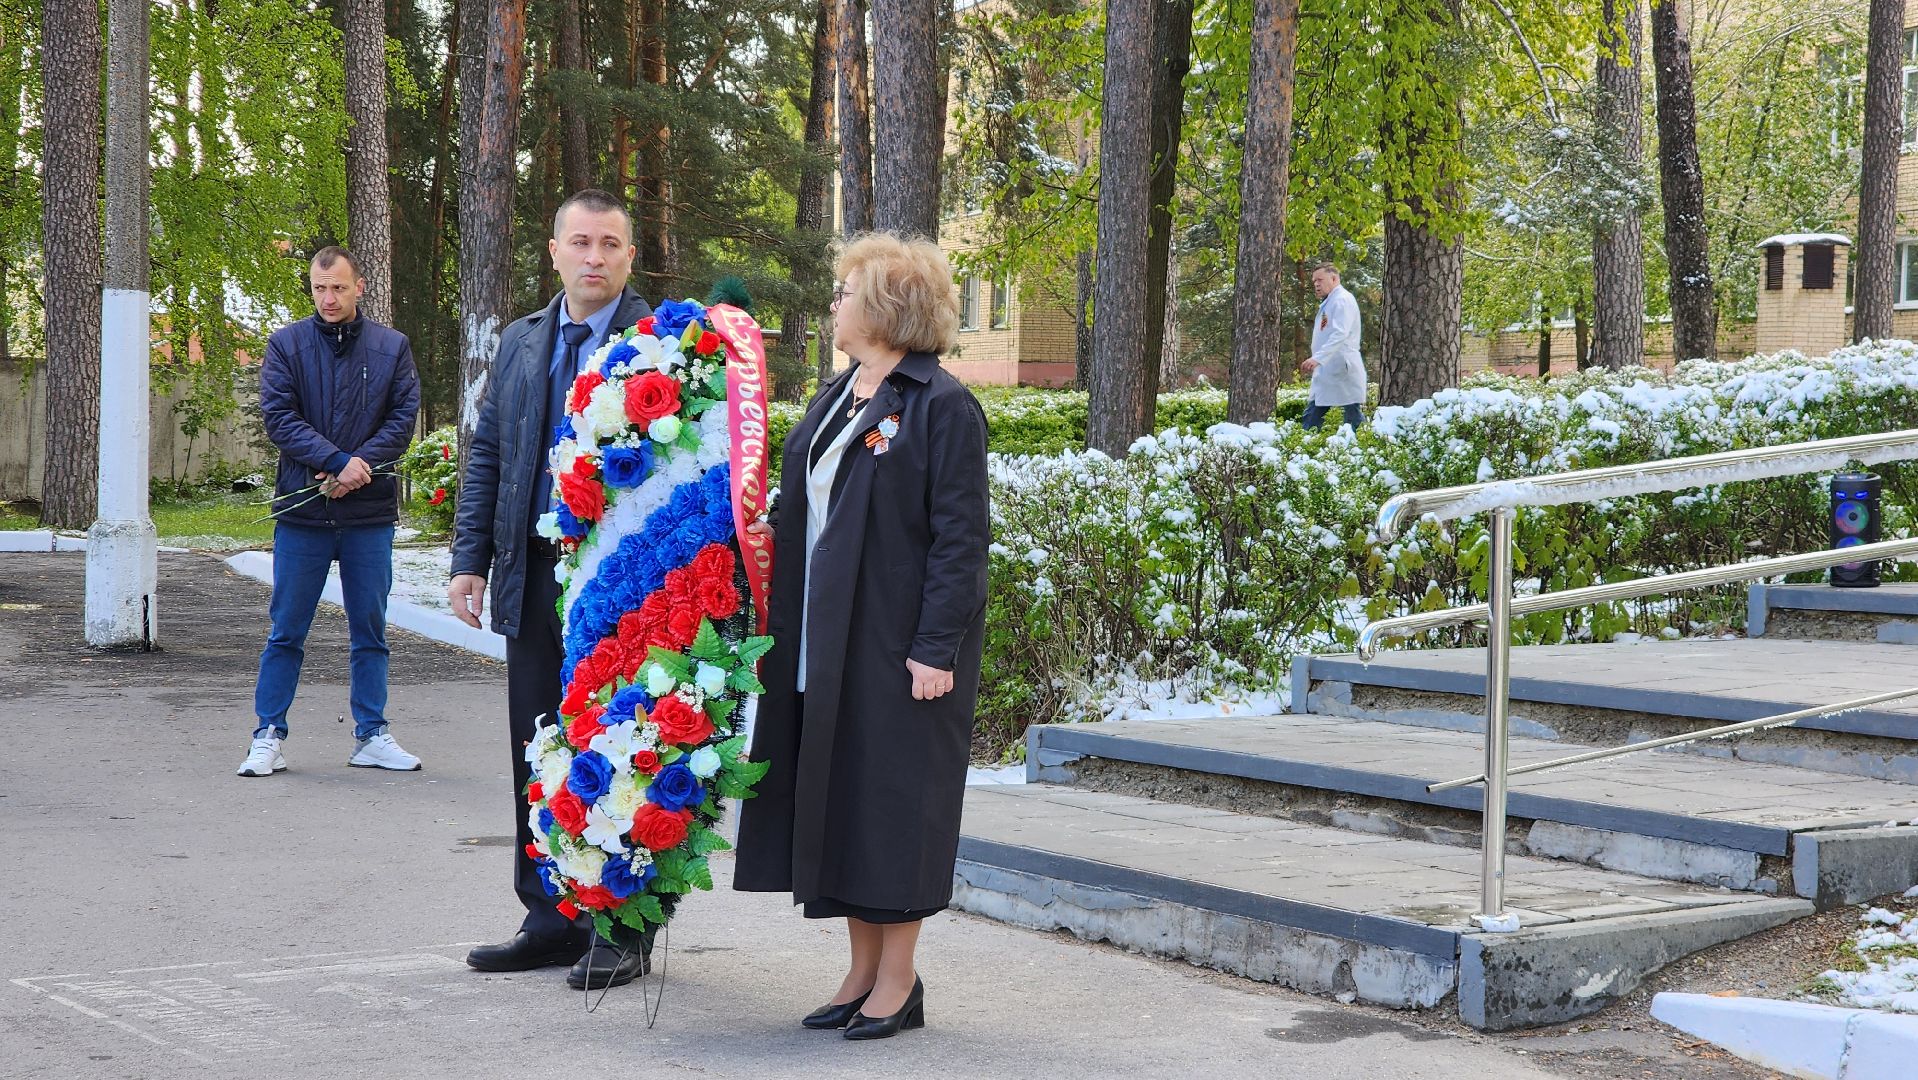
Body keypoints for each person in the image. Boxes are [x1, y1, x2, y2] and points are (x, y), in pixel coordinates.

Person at [733, 232, 990, 1041]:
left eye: (844, 293)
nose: (834, 305)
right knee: (840, 800)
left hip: (897, 646)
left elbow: (961, 541)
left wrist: (934, 648)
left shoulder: (942, 405)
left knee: (892, 806)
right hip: (823, 639)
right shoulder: (840, 396)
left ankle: (899, 980)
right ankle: (860, 970)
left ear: (882, 307)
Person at [448, 190, 656, 990]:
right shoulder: (522, 341)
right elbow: (491, 453)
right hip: (532, 576)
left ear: (630, 256)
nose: (595, 256)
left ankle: (621, 923)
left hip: (620, 589)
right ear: (555, 250)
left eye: (610, 243)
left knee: (622, 747)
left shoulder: (662, 342)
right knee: (537, 750)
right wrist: (471, 557)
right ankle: (548, 918)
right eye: (581, 242)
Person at [241, 246, 421, 778]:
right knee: (286, 630)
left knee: (371, 631)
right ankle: (268, 734)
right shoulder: (286, 344)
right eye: (320, 289)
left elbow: (402, 418)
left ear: (359, 287)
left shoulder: (392, 348)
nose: (328, 298)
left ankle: (371, 735)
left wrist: (358, 468)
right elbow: (280, 417)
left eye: (339, 288)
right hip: (303, 516)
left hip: (367, 516)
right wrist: (338, 462)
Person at [1299, 264, 1367, 431]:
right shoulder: (1331, 302)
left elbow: (1340, 333)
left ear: (1334, 279)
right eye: (1314, 281)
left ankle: (1304, 443)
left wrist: (1318, 358)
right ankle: (1305, 442)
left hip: (1341, 368)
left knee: (1350, 413)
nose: (1316, 284)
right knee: (1320, 409)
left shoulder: (1342, 300)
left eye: (1320, 280)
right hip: (1329, 369)